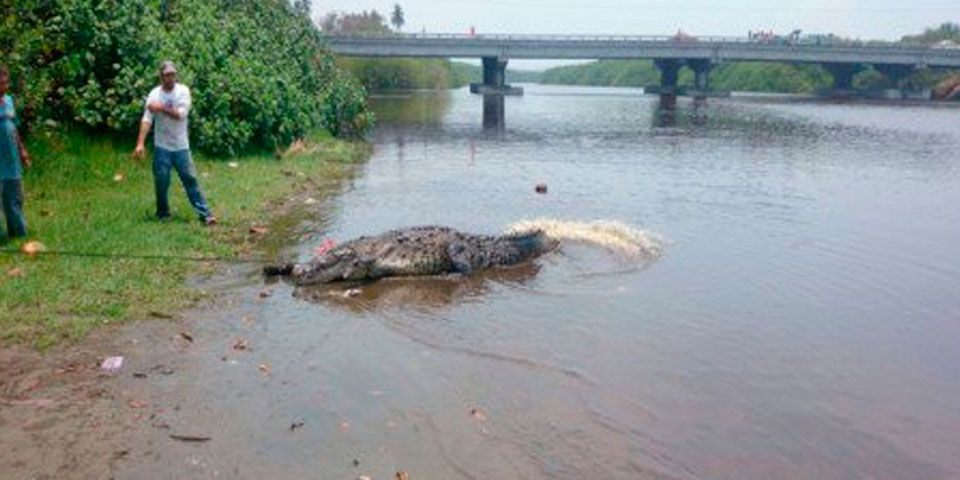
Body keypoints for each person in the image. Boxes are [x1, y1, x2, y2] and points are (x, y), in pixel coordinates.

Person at [133, 61, 216, 225]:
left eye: (173, 74)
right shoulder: (154, 94)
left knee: (190, 180)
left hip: (181, 147)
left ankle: (205, 215)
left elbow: (180, 114)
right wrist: (140, 144)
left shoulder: (183, 91)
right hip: (161, 146)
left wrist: (161, 107)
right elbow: (147, 119)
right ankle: (163, 214)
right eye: (167, 75)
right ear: (161, 77)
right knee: (161, 182)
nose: (170, 78)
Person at [0, 66, 31, 239]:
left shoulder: (9, 100)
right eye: (1, 84)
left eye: (6, 83)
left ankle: (18, 231)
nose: (4, 87)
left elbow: (14, 128)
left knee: (14, 194)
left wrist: (22, 151)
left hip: (11, 154)